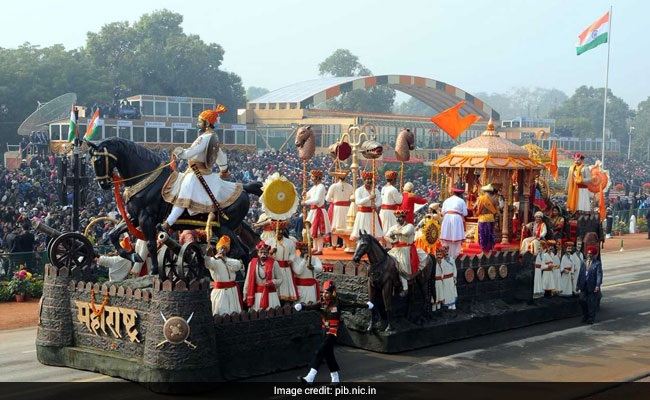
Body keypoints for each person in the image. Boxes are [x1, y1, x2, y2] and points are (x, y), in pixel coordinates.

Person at [161, 105, 243, 230]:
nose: (198, 123)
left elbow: (190, 153)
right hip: (201, 172)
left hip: (196, 174)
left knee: (182, 197)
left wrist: (179, 151)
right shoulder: (212, 136)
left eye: (200, 121)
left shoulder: (205, 137)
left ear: (207, 123)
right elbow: (221, 155)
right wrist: (223, 170)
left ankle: (168, 223)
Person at [295, 280, 373, 384]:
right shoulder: (321, 302)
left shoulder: (338, 302)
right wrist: (302, 307)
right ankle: (335, 379)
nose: (325, 294)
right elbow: (310, 306)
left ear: (333, 293)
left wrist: (367, 305)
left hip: (333, 331)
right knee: (328, 355)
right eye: (324, 292)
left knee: (320, 350)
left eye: (327, 292)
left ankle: (310, 377)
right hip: (324, 330)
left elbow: (353, 304)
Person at [384, 209, 420, 297]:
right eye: (396, 218)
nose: (397, 220)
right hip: (395, 249)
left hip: (406, 249)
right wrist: (391, 241)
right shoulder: (393, 227)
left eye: (399, 218)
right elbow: (386, 236)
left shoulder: (409, 226)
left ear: (404, 218)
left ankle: (405, 288)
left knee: (402, 266)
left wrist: (396, 232)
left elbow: (406, 233)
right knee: (386, 261)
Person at [206, 235, 244, 316]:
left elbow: (237, 266)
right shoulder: (213, 261)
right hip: (220, 292)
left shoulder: (232, 261)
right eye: (221, 248)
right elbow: (207, 263)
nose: (222, 250)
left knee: (234, 314)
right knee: (220, 313)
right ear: (217, 249)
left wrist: (224, 260)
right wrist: (208, 254)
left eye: (224, 248)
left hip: (232, 291)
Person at [243, 241, 283, 311]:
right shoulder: (252, 264)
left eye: (265, 252)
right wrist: (245, 294)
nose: (263, 254)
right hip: (257, 295)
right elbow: (248, 280)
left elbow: (280, 279)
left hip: (271, 295)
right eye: (261, 252)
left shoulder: (274, 263)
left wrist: (272, 283)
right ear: (258, 253)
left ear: (268, 253)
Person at [265, 220, 299, 303]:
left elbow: (293, 253)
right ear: (274, 230)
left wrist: (290, 260)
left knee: (285, 285)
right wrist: (270, 252)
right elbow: (263, 255)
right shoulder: (268, 242)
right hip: (274, 268)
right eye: (278, 230)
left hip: (285, 268)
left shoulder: (290, 242)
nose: (280, 232)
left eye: (281, 230)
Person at [303, 170, 330, 255]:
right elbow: (308, 196)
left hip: (319, 211)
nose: (311, 179)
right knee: (313, 230)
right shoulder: (314, 187)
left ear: (317, 178)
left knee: (319, 231)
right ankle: (315, 247)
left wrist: (305, 202)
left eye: (312, 177)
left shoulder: (321, 187)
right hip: (313, 211)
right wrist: (304, 195)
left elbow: (317, 200)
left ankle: (320, 249)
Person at [350, 172, 382, 241]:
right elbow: (358, 202)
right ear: (364, 180)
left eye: (370, 180)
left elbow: (380, 200)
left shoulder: (375, 190)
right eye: (367, 179)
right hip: (362, 215)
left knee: (374, 234)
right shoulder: (359, 190)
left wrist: (376, 205)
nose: (369, 181)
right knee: (362, 234)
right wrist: (369, 198)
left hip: (372, 214)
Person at [325, 170, 353, 249]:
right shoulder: (350, 186)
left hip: (337, 208)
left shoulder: (334, 186)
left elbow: (327, 198)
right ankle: (345, 244)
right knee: (345, 226)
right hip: (347, 208)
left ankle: (334, 244)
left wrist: (334, 200)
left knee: (335, 225)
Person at [576, 246, 603, 324]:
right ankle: (585, 315)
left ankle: (591, 318)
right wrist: (578, 285)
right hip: (583, 285)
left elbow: (599, 275)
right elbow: (581, 274)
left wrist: (597, 285)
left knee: (591, 302)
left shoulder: (597, 263)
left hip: (592, 285)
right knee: (582, 300)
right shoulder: (584, 262)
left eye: (591, 253)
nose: (589, 255)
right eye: (588, 253)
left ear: (593, 254)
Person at [440, 187, 467, 259]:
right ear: (460, 194)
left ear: (452, 193)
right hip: (457, 218)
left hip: (447, 218)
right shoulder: (462, 201)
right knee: (456, 237)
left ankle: (446, 255)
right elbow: (465, 213)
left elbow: (442, 212)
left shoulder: (446, 200)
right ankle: (454, 256)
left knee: (447, 237)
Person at [474, 184, 499, 252]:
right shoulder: (494, 199)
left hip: (482, 218)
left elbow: (474, 207)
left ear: (484, 191)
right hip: (491, 218)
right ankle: (492, 247)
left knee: (482, 234)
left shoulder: (481, 198)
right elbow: (497, 210)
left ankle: (483, 248)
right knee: (491, 233)